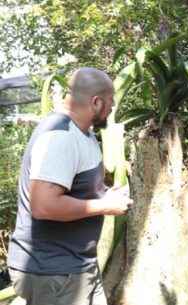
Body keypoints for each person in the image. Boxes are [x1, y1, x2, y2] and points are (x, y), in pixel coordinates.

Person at [7, 68, 133, 305]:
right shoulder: (60, 136)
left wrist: (105, 194)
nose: (112, 108)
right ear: (96, 102)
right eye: (110, 102)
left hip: (76, 266)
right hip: (54, 271)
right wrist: (104, 205)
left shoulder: (81, 134)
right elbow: (44, 205)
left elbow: (73, 189)